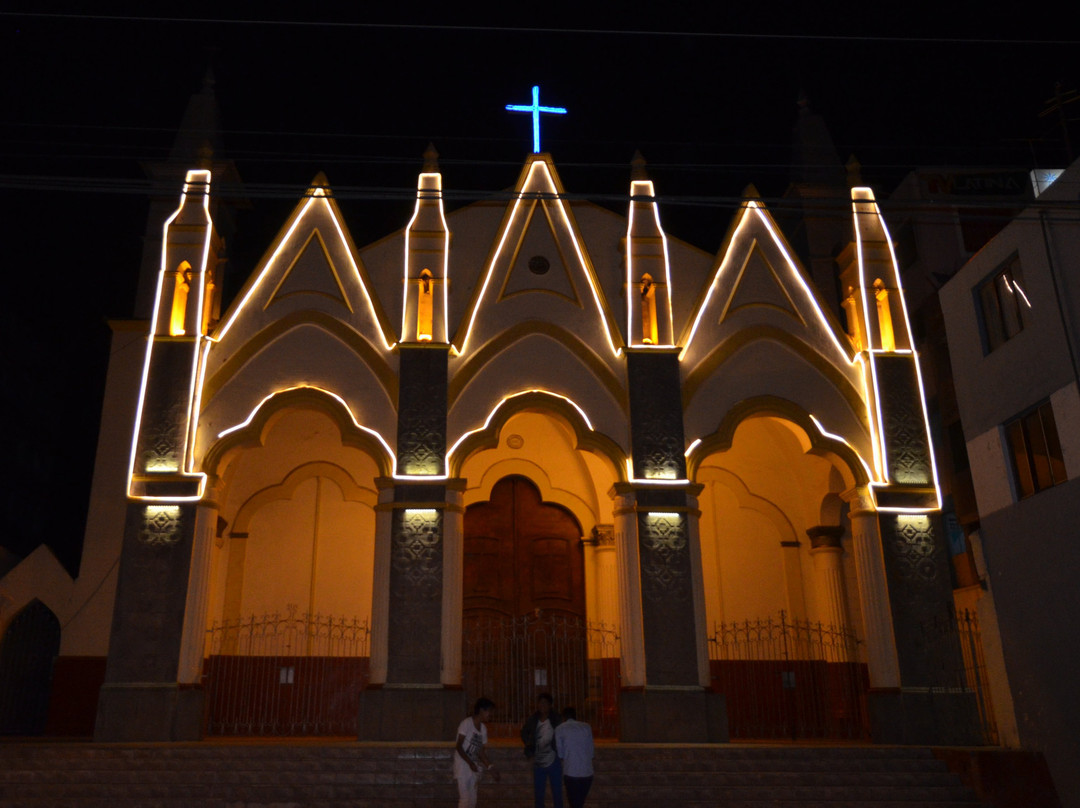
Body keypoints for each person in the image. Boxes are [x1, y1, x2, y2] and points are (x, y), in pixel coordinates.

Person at [454, 697, 499, 808]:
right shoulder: (466, 723)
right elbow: (459, 746)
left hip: (473, 766)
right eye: (489, 711)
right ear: (481, 710)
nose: (491, 714)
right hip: (463, 765)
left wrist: (490, 767)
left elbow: (481, 752)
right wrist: (470, 763)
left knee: (473, 800)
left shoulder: (483, 728)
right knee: (465, 800)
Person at [520, 692, 563, 808]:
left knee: (557, 792)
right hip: (538, 760)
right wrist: (530, 747)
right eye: (540, 703)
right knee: (539, 793)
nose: (542, 706)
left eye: (545, 703)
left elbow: (562, 735)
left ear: (550, 705)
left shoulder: (556, 719)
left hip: (554, 759)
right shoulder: (533, 719)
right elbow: (524, 732)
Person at [554, 707, 594, 808]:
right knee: (580, 801)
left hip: (571, 771)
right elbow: (591, 750)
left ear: (563, 717)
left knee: (574, 802)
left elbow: (560, 753)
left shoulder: (560, 729)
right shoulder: (586, 727)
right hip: (587, 771)